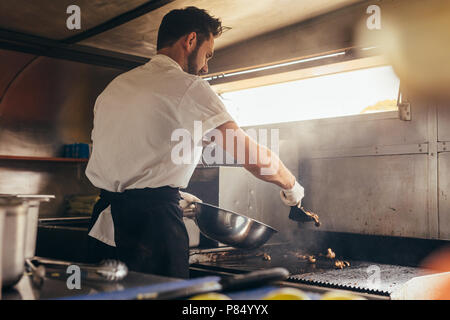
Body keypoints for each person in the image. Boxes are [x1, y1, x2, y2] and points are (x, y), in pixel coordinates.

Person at [85, 6, 304, 279]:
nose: (206, 66)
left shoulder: (114, 87)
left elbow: (128, 156)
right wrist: (292, 186)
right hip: (153, 232)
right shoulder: (189, 87)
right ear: (190, 41)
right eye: (207, 54)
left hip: (102, 230)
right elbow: (252, 157)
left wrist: (168, 190)